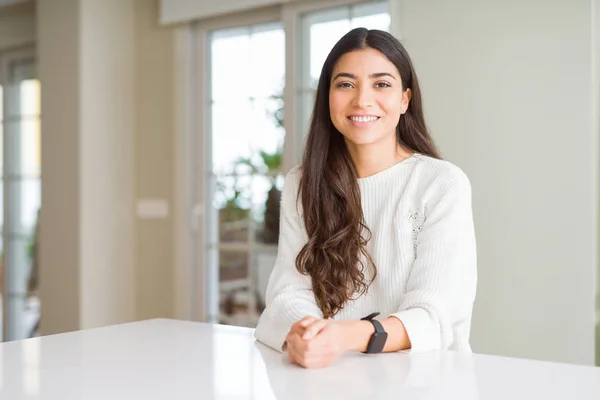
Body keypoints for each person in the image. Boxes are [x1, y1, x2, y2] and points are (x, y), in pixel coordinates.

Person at [254, 27, 477, 369]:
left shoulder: (441, 183)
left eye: (381, 84)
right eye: (345, 84)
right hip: (328, 379)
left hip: (428, 381)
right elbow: (288, 293)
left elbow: (435, 313)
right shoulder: (303, 182)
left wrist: (343, 336)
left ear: (405, 99)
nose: (362, 100)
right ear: (327, 96)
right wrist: (308, 333)